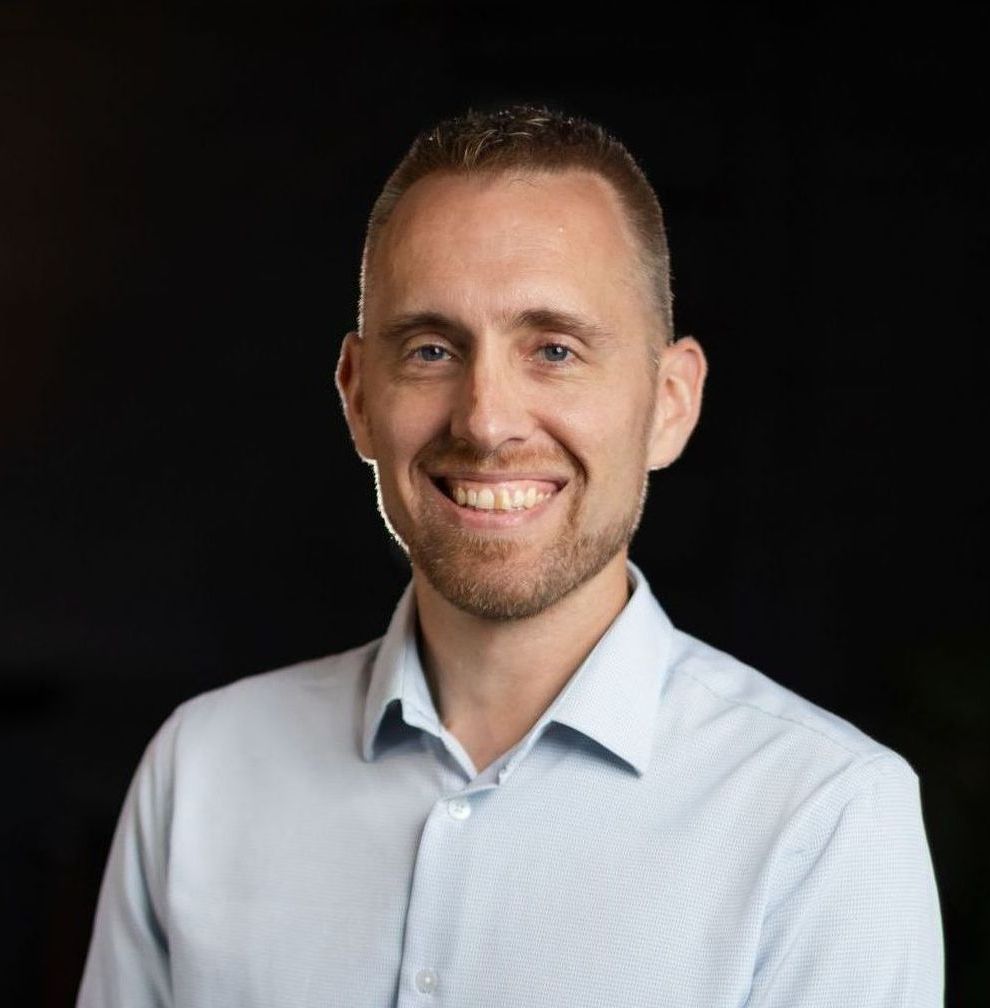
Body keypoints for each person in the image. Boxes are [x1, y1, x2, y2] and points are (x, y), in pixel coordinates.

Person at [77, 106, 944, 1007]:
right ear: (357, 397)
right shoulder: (203, 769)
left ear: (672, 402)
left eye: (556, 349)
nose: (486, 420)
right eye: (431, 349)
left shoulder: (826, 819)